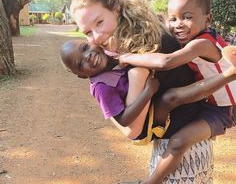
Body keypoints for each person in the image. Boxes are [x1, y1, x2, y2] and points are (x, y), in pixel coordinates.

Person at [69, 0, 216, 183]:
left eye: (100, 22)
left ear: (116, 9)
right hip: (190, 145)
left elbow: (132, 131)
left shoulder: (140, 58)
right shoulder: (147, 35)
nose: (97, 37)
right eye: (88, 32)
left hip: (179, 155)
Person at [117, 0, 236, 183]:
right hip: (208, 103)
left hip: (220, 111)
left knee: (178, 142)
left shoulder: (201, 44)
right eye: (173, 19)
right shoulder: (193, 39)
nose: (178, 24)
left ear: (208, 18)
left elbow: (167, 62)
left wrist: (127, 57)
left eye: (187, 17)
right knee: (169, 100)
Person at [60, 40, 236, 146]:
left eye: (84, 48)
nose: (88, 56)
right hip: (144, 129)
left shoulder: (111, 53)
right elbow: (124, 120)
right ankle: (229, 75)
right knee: (170, 97)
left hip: (147, 107)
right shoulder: (101, 87)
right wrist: (148, 91)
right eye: (80, 63)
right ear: (82, 76)